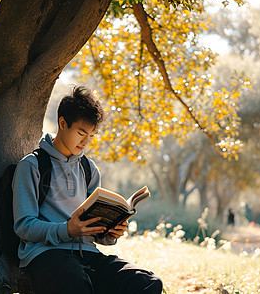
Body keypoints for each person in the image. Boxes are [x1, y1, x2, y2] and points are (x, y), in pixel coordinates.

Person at [12, 86, 163, 294]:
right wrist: (67, 230)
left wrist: (110, 232)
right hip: (47, 255)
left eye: (91, 136)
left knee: (147, 282)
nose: (85, 142)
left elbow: (94, 228)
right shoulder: (32, 165)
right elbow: (23, 226)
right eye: (81, 133)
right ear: (63, 123)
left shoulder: (89, 169)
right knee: (75, 283)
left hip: (88, 254)